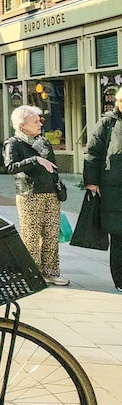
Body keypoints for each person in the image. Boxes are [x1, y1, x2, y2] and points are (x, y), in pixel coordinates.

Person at [3, 105, 68, 286]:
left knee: (51, 234)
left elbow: (53, 167)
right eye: (35, 121)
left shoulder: (44, 142)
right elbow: (10, 167)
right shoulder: (13, 143)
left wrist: (58, 188)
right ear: (22, 125)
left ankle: (51, 272)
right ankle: (32, 274)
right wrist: (35, 160)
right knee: (31, 235)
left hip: (50, 193)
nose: (40, 124)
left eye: (40, 120)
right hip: (29, 194)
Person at [83, 88, 122, 291]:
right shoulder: (108, 123)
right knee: (119, 235)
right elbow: (93, 153)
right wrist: (91, 182)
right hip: (113, 189)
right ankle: (121, 280)